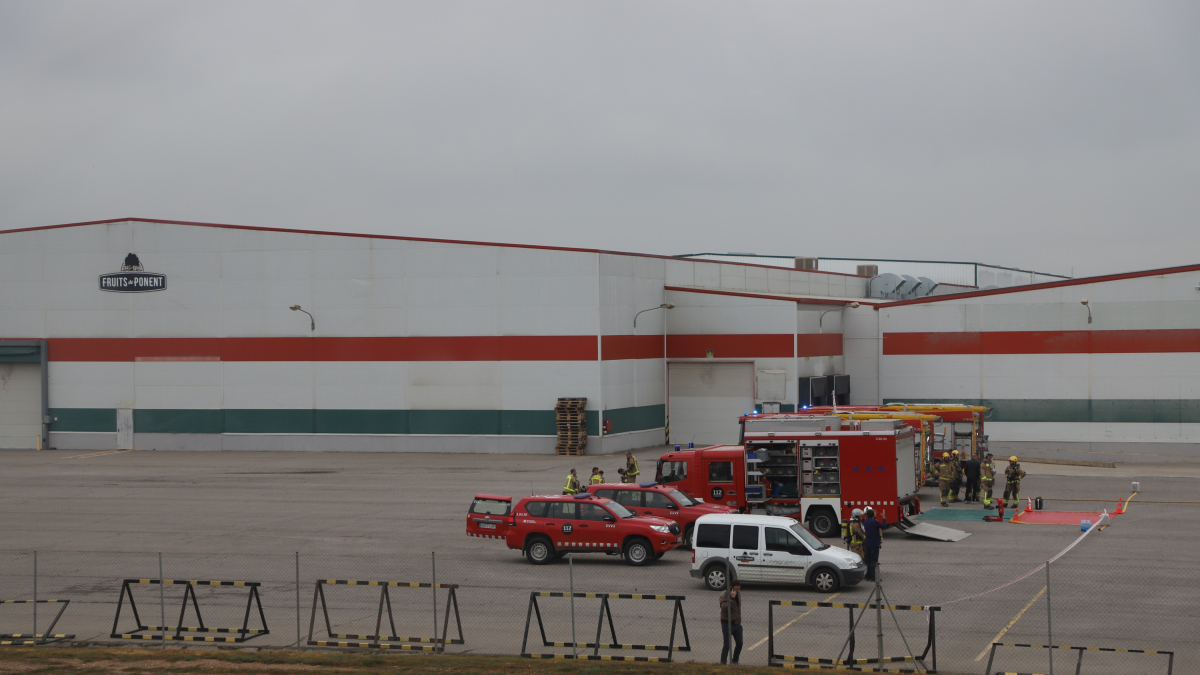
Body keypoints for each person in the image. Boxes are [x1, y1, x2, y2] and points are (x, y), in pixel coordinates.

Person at [719, 583, 743, 665]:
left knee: (740, 643)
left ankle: (735, 660)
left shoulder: (738, 594)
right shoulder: (724, 595)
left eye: (739, 589)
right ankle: (723, 662)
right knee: (727, 644)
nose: (737, 591)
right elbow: (724, 607)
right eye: (736, 589)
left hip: (737, 623)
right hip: (727, 623)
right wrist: (731, 599)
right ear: (731, 587)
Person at [862, 507, 886, 581]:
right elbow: (883, 525)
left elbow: (869, 519)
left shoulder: (865, 522)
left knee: (868, 559)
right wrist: (884, 517)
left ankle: (868, 575)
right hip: (874, 543)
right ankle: (873, 576)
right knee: (874, 559)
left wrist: (872, 515)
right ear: (873, 515)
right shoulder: (874, 522)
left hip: (868, 542)